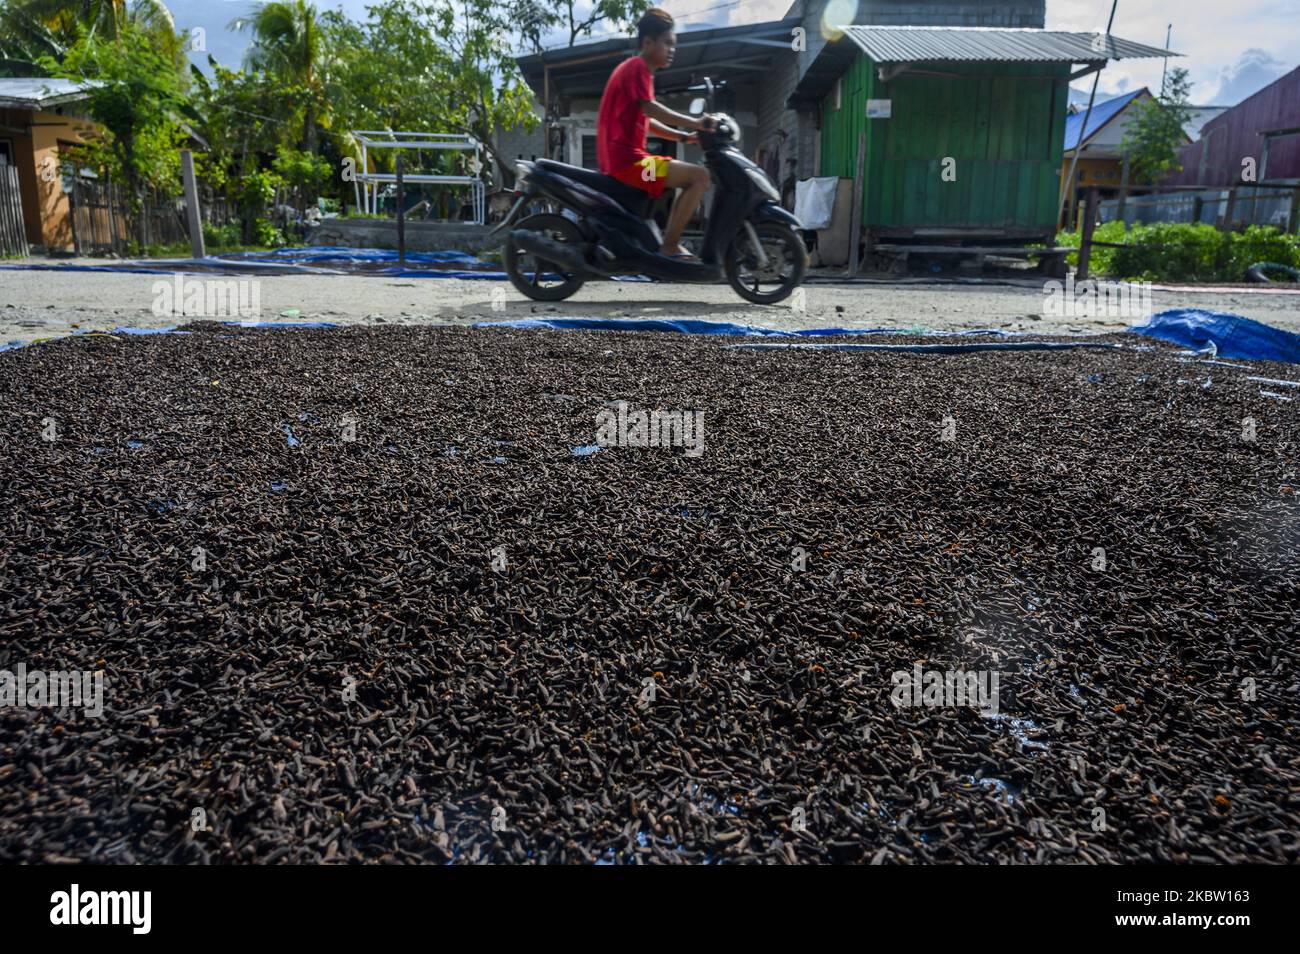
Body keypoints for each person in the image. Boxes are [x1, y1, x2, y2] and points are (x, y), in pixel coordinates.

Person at [596, 7, 716, 260]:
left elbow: (646, 120)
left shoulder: (636, 71)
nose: (672, 50)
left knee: (685, 176)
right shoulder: (638, 68)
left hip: (628, 162)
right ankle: (670, 245)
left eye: (674, 44)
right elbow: (651, 109)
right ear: (648, 42)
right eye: (667, 43)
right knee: (700, 177)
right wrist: (696, 123)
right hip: (632, 166)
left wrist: (685, 137)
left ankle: (663, 243)